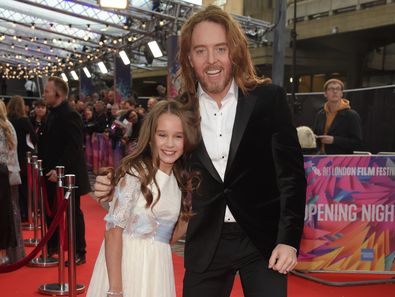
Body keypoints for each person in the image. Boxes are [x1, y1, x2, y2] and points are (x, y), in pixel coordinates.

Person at [95, 5, 306, 297]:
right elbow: (153, 161)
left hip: (263, 242)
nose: (211, 60)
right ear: (189, 58)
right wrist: (110, 182)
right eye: (200, 51)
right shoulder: (181, 111)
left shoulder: (269, 99)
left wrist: (289, 239)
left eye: (220, 49)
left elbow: (292, 177)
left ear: (234, 52)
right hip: (205, 241)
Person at [86, 99, 200, 297]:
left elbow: (170, 237)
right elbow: (113, 232)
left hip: (158, 268)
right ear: (150, 136)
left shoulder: (180, 179)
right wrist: (115, 290)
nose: (170, 144)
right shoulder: (136, 172)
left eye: (178, 136)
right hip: (127, 266)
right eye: (162, 135)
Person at [38, 76, 90, 264]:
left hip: (68, 175)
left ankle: (79, 252)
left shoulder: (70, 114)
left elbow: (74, 146)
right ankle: (53, 247)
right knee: (51, 210)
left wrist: (59, 169)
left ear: (58, 93)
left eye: (47, 91)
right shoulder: (52, 113)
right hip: (51, 173)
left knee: (73, 213)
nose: (44, 94)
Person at [0, 100, 24, 265]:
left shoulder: (4, 127)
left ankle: (8, 255)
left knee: (8, 216)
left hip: (4, 176)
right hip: (9, 174)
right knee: (11, 216)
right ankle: (13, 254)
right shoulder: (8, 126)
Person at [7, 95, 37, 222]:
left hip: (11, 156)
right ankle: (26, 212)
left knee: (13, 187)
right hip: (24, 157)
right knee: (25, 185)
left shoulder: (7, 121)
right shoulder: (24, 121)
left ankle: (15, 212)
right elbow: (34, 138)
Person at [313, 78, 362, 154]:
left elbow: (357, 143)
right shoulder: (320, 114)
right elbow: (315, 136)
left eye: (338, 89)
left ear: (342, 93)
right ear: (325, 93)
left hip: (341, 162)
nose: (335, 91)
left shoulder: (352, 115)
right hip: (320, 160)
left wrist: (334, 140)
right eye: (331, 89)